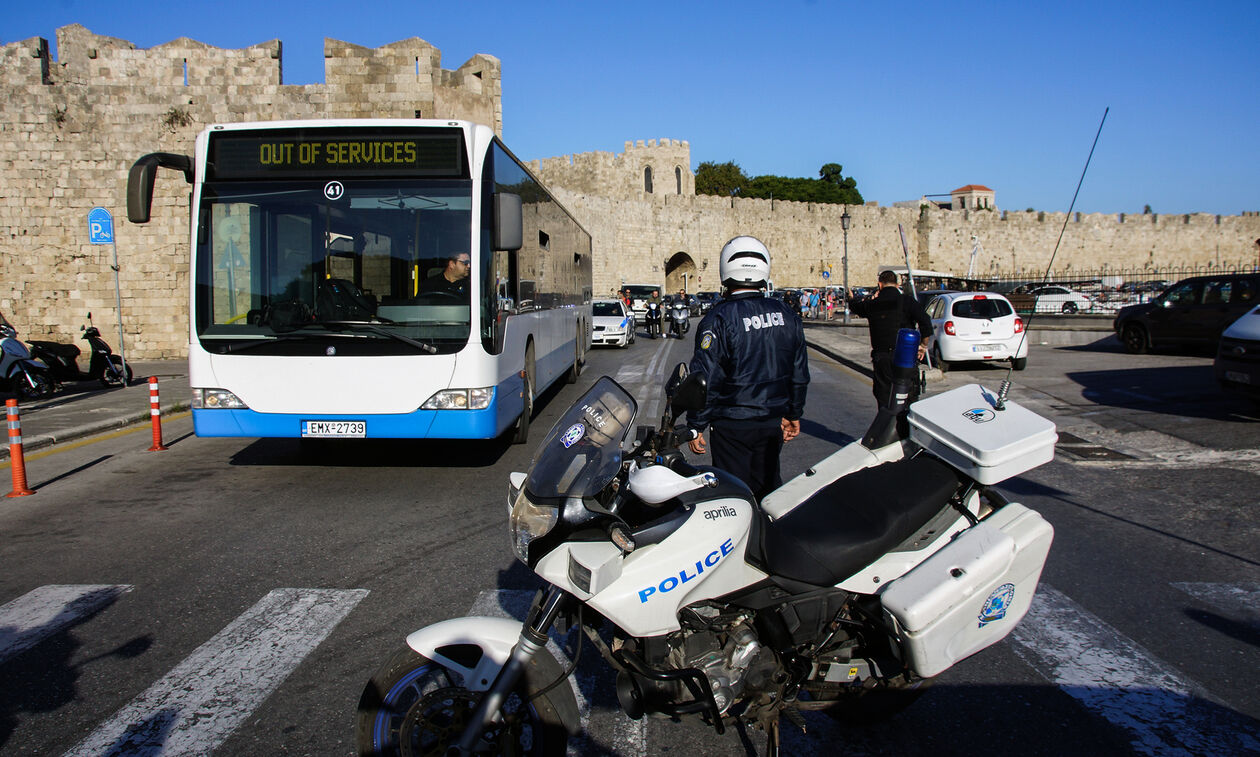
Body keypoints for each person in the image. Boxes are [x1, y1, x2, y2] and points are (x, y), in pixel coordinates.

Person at [687, 235, 809, 501]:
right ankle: (770, 536)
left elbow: (705, 378)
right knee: (769, 487)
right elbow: (799, 374)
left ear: (725, 270)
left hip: (732, 424)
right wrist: (793, 412)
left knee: (735, 495)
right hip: (771, 421)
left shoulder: (717, 319)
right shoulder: (787, 315)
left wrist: (696, 424)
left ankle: (745, 540)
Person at [849, 270, 933, 408]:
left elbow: (857, 306)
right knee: (908, 396)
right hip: (905, 357)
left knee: (884, 397)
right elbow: (925, 322)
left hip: (882, 358)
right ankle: (905, 428)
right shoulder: (907, 301)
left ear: (880, 285)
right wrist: (923, 346)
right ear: (897, 284)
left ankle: (886, 427)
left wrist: (851, 298)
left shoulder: (873, 304)